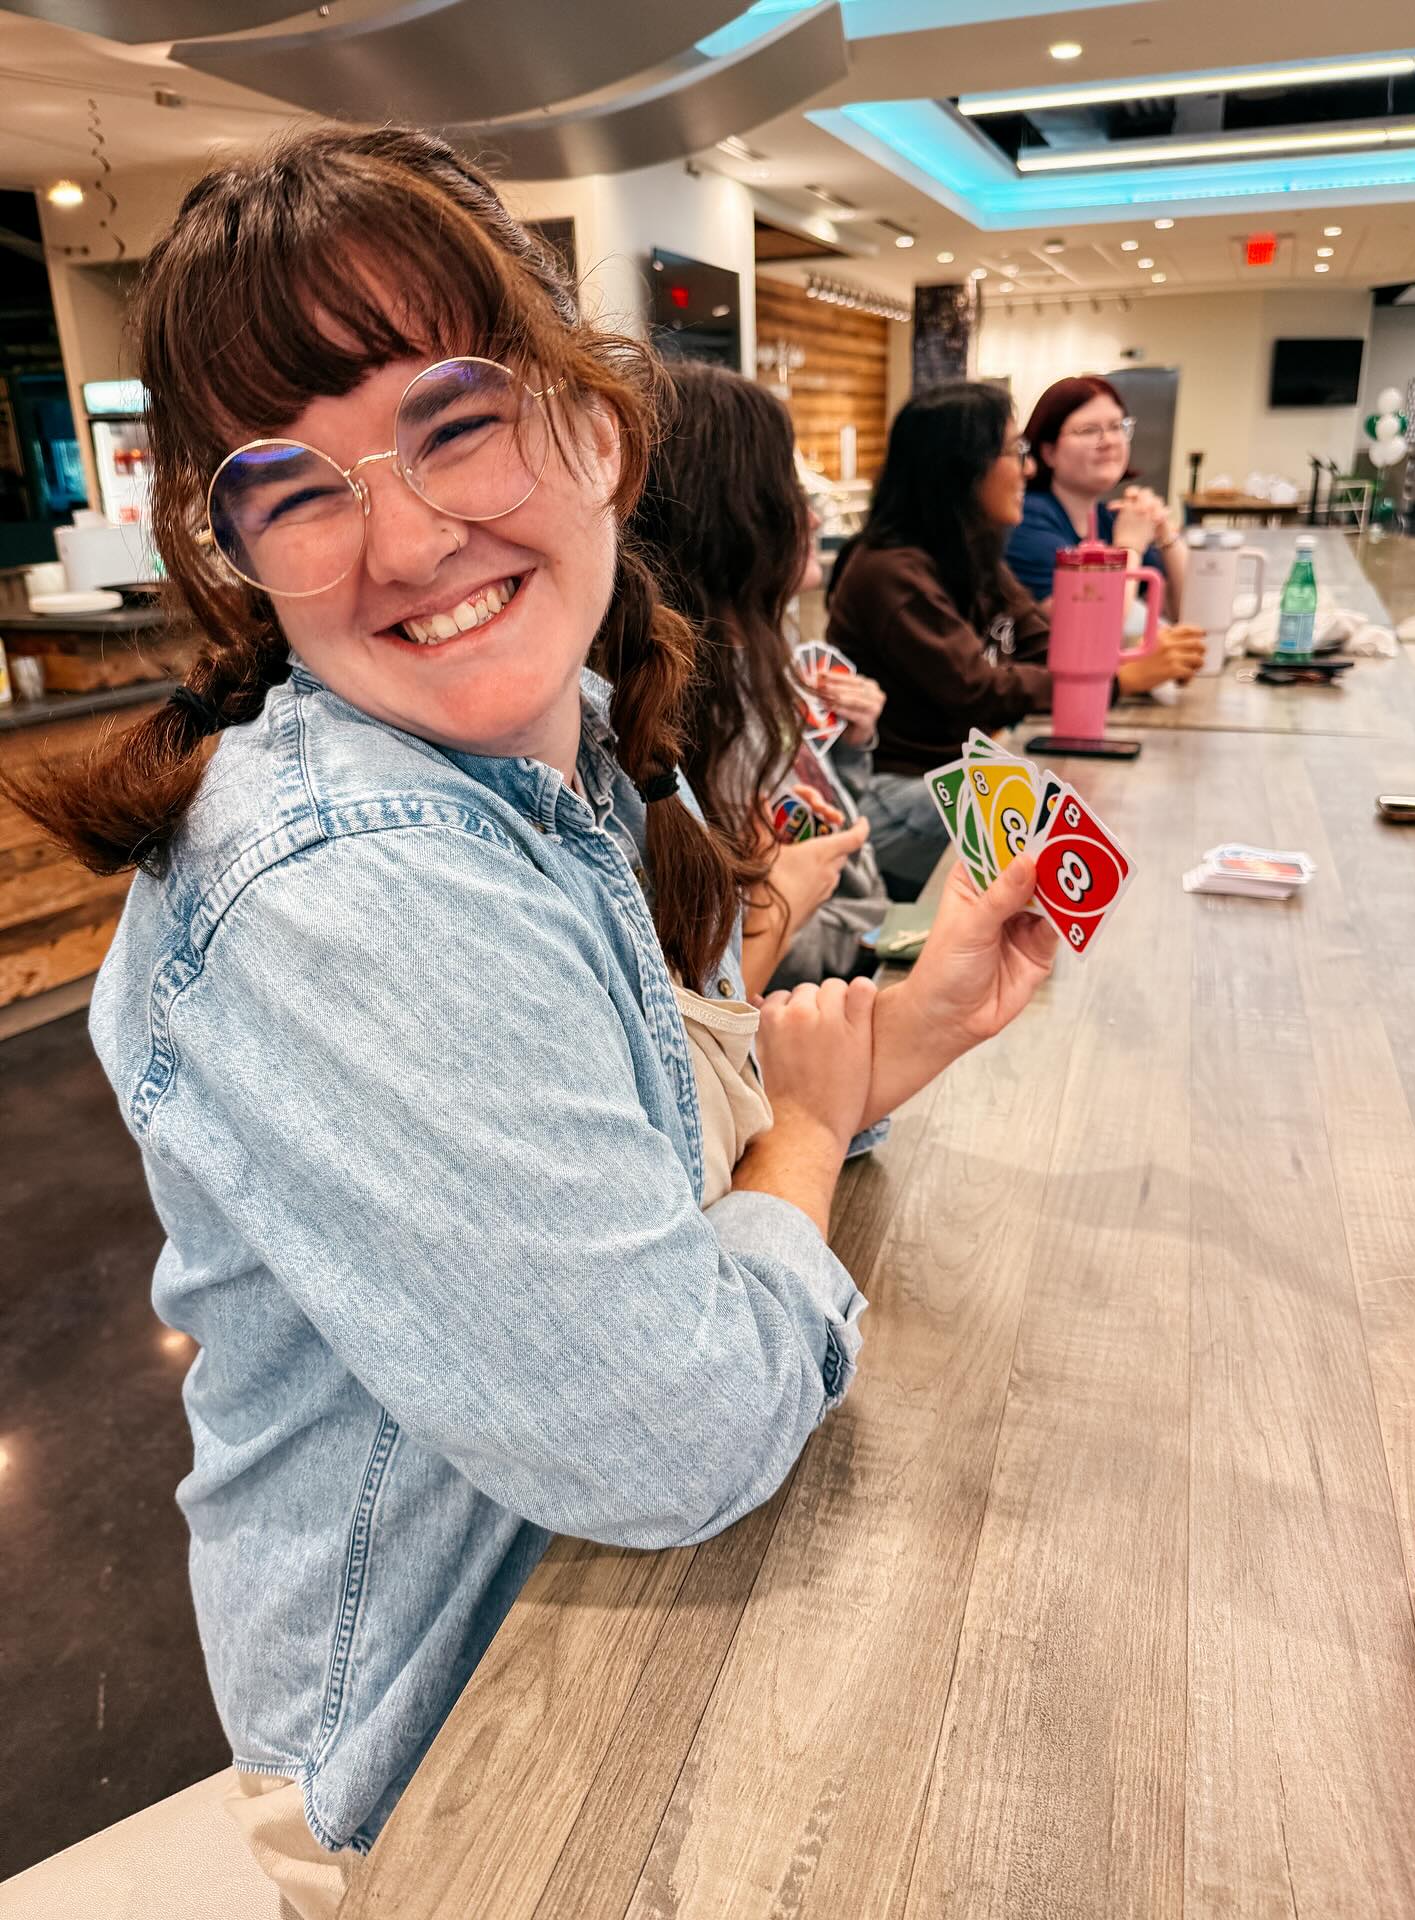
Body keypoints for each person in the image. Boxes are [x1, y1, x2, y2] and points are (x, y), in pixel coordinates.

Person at [4, 128, 1059, 1913]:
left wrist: (898, 1040)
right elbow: (673, 1431)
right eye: (296, 482)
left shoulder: (530, 754)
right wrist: (800, 1142)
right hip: (447, 1779)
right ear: (241, 552)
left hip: (582, 1644)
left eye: (455, 419)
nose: (404, 536)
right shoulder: (348, 879)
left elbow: (628, 1132)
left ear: (597, 424)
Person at [826, 380, 1203, 898]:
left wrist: (1102, 673)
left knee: (1101, 819)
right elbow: (977, 689)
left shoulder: (972, 554)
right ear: (960, 467)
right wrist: (1116, 681)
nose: (1027, 469)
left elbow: (1050, 645)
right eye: (1013, 451)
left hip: (962, 772)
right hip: (892, 791)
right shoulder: (890, 572)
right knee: (1065, 841)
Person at [632, 360, 888, 994]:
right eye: (787, 489)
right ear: (736, 517)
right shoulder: (685, 710)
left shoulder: (755, 664)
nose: (812, 518)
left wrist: (852, 749)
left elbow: (817, 817)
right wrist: (853, 931)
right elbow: (729, 967)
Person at [1007, 375, 1188, 620]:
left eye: (1117, 427)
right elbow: (1096, 625)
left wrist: (1165, 535)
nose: (1110, 441)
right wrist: (1129, 546)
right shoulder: (1026, 518)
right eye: (1089, 430)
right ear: (1048, 452)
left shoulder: (1108, 520)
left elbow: (1185, 615)